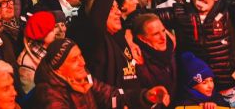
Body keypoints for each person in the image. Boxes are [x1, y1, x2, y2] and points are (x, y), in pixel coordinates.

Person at [33, 38, 168, 109]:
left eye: (81, 56)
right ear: (59, 68)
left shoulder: (84, 77)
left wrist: (145, 96)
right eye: (75, 59)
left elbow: (110, 95)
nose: (83, 63)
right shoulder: (49, 94)